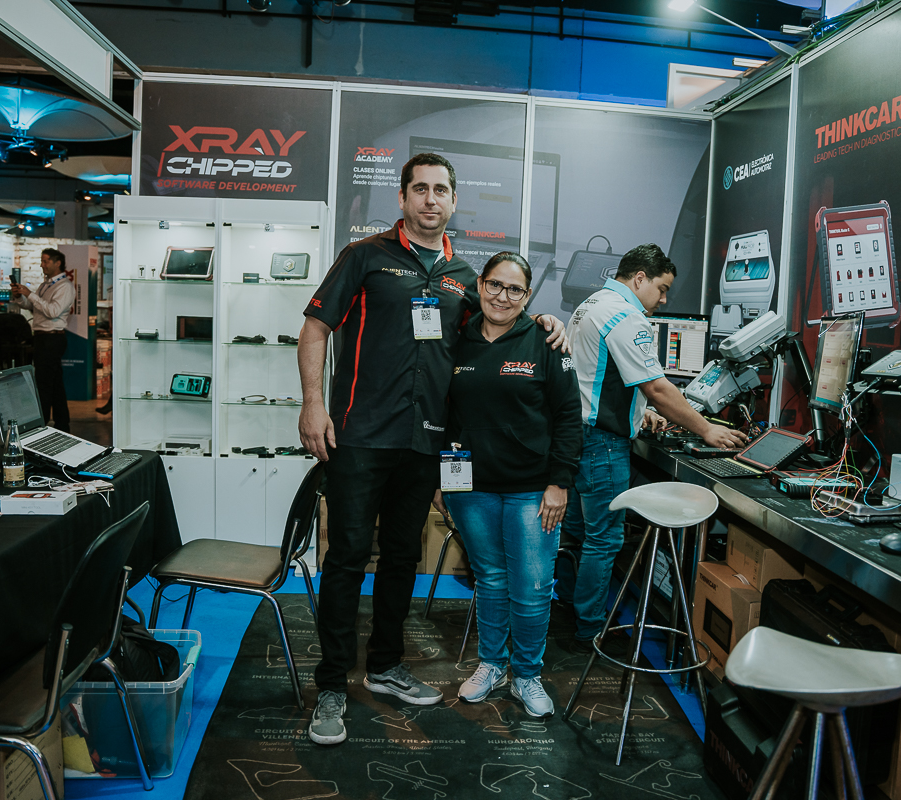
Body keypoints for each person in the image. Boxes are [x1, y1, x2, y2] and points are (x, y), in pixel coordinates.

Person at [297, 153, 566, 746]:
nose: (430, 199)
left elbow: (495, 325)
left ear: (453, 200)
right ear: (402, 197)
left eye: (441, 190)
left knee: (401, 559)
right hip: (359, 435)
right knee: (346, 559)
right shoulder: (364, 256)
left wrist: (545, 321)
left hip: (424, 444)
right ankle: (332, 685)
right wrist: (313, 404)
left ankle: (386, 666)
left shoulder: (465, 276)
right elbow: (315, 327)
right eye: (419, 189)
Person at [562, 243, 747, 651]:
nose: (663, 300)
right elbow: (659, 388)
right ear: (640, 278)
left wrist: (638, 411)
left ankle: (569, 606)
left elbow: (597, 374)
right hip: (601, 442)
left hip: (576, 434)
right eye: (661, 289)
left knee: (577, 531)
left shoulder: (592, 303)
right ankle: (590, 631)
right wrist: (706, 430)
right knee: (604, 538)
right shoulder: (626, 315)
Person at [437, 252, 582, 718]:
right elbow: (443, 413)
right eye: (495, 285)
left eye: (515, 289)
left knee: (533, 586)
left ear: (528, 296)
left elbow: (569, 417)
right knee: (491, 579)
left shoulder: (546, 341)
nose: (503, 296)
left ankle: (527, 674)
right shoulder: (456, 338)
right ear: (480, 285)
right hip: (470, 488)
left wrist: (559, 483)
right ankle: (492, 664)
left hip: (533, 490)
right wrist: (442, 478)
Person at [11, 249, 74, 432]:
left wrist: (30, 294)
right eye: (42, 261)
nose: (42, 265)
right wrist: (20, 296)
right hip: (43, 337)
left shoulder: (64, 286)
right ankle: (62, 423)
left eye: (46, 261)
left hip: (52, 338)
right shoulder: (46, 285)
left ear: (57, 263)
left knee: (44, 383)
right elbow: (34, 307)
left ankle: (42, 423)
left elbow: (53, 311)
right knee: (54, 383)